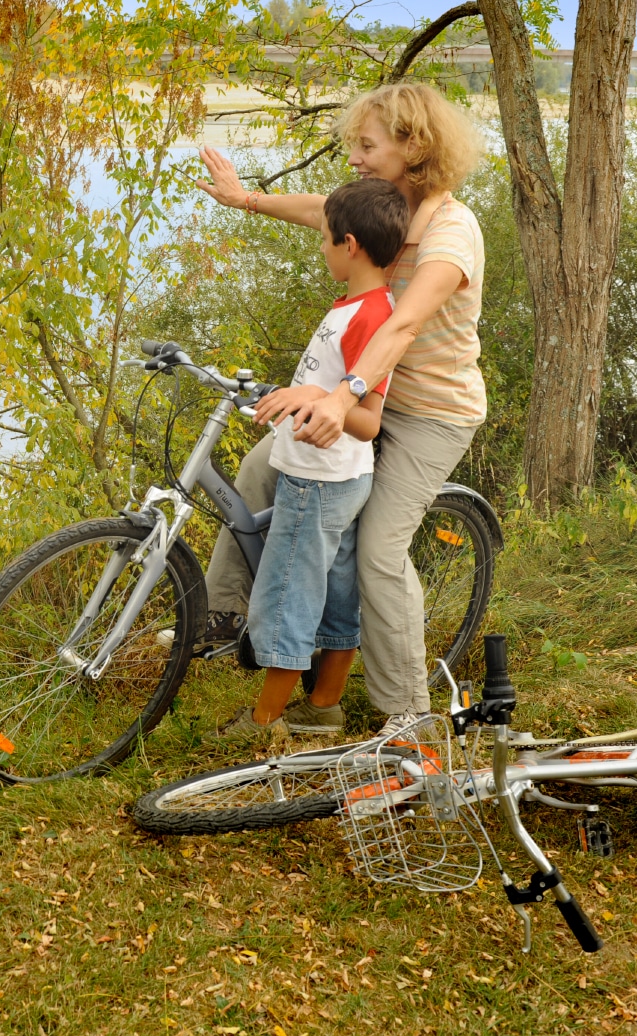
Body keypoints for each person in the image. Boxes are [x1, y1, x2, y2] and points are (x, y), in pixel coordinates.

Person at [196, 82, 487, 736]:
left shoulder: (450, 230)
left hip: (427, 415)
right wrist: (245, 199)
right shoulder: (382, 207)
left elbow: (404, 324)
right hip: (357, 402)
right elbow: (322, 210)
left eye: (367, 144)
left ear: (413, 146)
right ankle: (229, 620)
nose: (355, 156)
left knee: (377, 551)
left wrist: (344, 392)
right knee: (261, 467)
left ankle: (409, 713)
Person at [219, 178, 405, 739]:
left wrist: (311, 397)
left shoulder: (370, 317)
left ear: (349, 245)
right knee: (338, 589)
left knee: (286, 595)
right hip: (338, 479)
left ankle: (264, 720)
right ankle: (324, 705)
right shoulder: (359, 304)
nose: (319, 247)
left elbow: (368, 420)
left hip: (319, 481)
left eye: (323, 238)